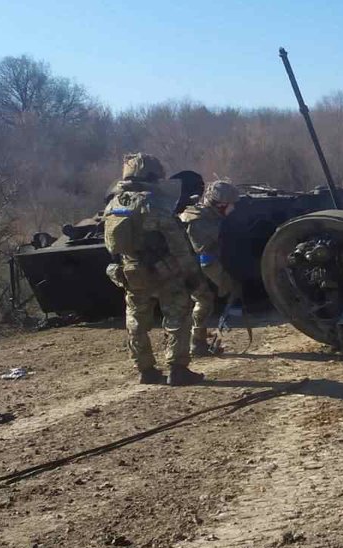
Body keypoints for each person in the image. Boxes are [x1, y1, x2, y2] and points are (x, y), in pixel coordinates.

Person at [103, 153, 206, 386]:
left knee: (136, 319)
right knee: (177, 315)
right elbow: (177, 243)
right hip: (164, 270)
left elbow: (110, 243)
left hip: (130, 269)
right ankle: (177, 369)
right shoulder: (153, 203)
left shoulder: (114, 203)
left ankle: (145, 370)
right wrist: (191, 274)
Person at [180, 179, 240, 356]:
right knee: (204, 299)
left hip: (191, 264)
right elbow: (206, 261)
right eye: (230, 205)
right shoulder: (200, 221)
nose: (233, 209)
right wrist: (226, 283)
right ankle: (197, 344)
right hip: (186, 267)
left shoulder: (209, 216)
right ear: (220, 204)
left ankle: (197, 338)